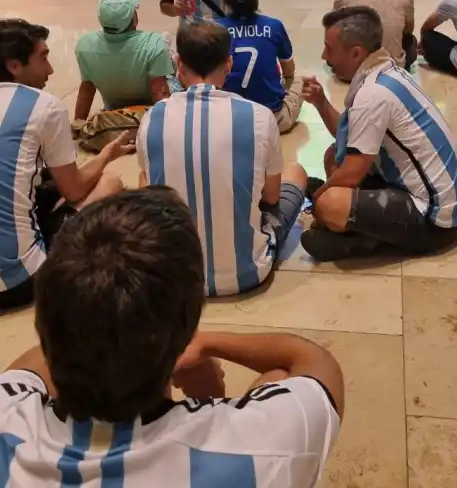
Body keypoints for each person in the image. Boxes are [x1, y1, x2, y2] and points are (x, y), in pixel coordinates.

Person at [0, 188, 343, 485]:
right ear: (187, 323)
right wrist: (206, 342)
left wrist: (103, 319)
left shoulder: (7, 416)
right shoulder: (266, 450)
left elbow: (34, 362)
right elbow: (315, 364)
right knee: (279, 377)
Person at [137, 21, 307, 296]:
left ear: (179, 64)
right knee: (295, 172)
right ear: (228, 64)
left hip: (173, 277)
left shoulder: (153, 117)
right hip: (249, 272)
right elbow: (272, 198)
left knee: (146, 178)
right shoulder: (259, 117)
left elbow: (149, 191)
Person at [300, 6, 457, 262]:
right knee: (334, 154)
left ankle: (366, 240)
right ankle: (360, 228)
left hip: (434, 221)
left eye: (329, 48)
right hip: (423, 195)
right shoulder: (385, 71)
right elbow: (350, 137)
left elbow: (354, 170)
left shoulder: (372, 94)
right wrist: (321, 102)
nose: (324, 56)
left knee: (330, 203)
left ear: (356, 52)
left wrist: (319, 204)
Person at [0, 19, 130, 311]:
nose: (51, 70)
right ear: (14, 66)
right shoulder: (44, 106)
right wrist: (106, 154)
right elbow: (73, 190)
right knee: (109, 183)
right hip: (18, 282)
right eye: (43, 58)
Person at [73, 0, 174, 128]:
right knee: (174, 63)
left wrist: (78, 125)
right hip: (146, 112)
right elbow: (159, 92)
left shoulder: (85, 45)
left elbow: (87, 90)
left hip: (114, 111)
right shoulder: (153, 43)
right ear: (133, 19)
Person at [219, 0, 303, 133]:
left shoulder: (216, 29)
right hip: (271, 119)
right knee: (300, 81)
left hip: (229, 119)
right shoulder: (274, 26)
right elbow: (289, 70)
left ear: (226, 1)